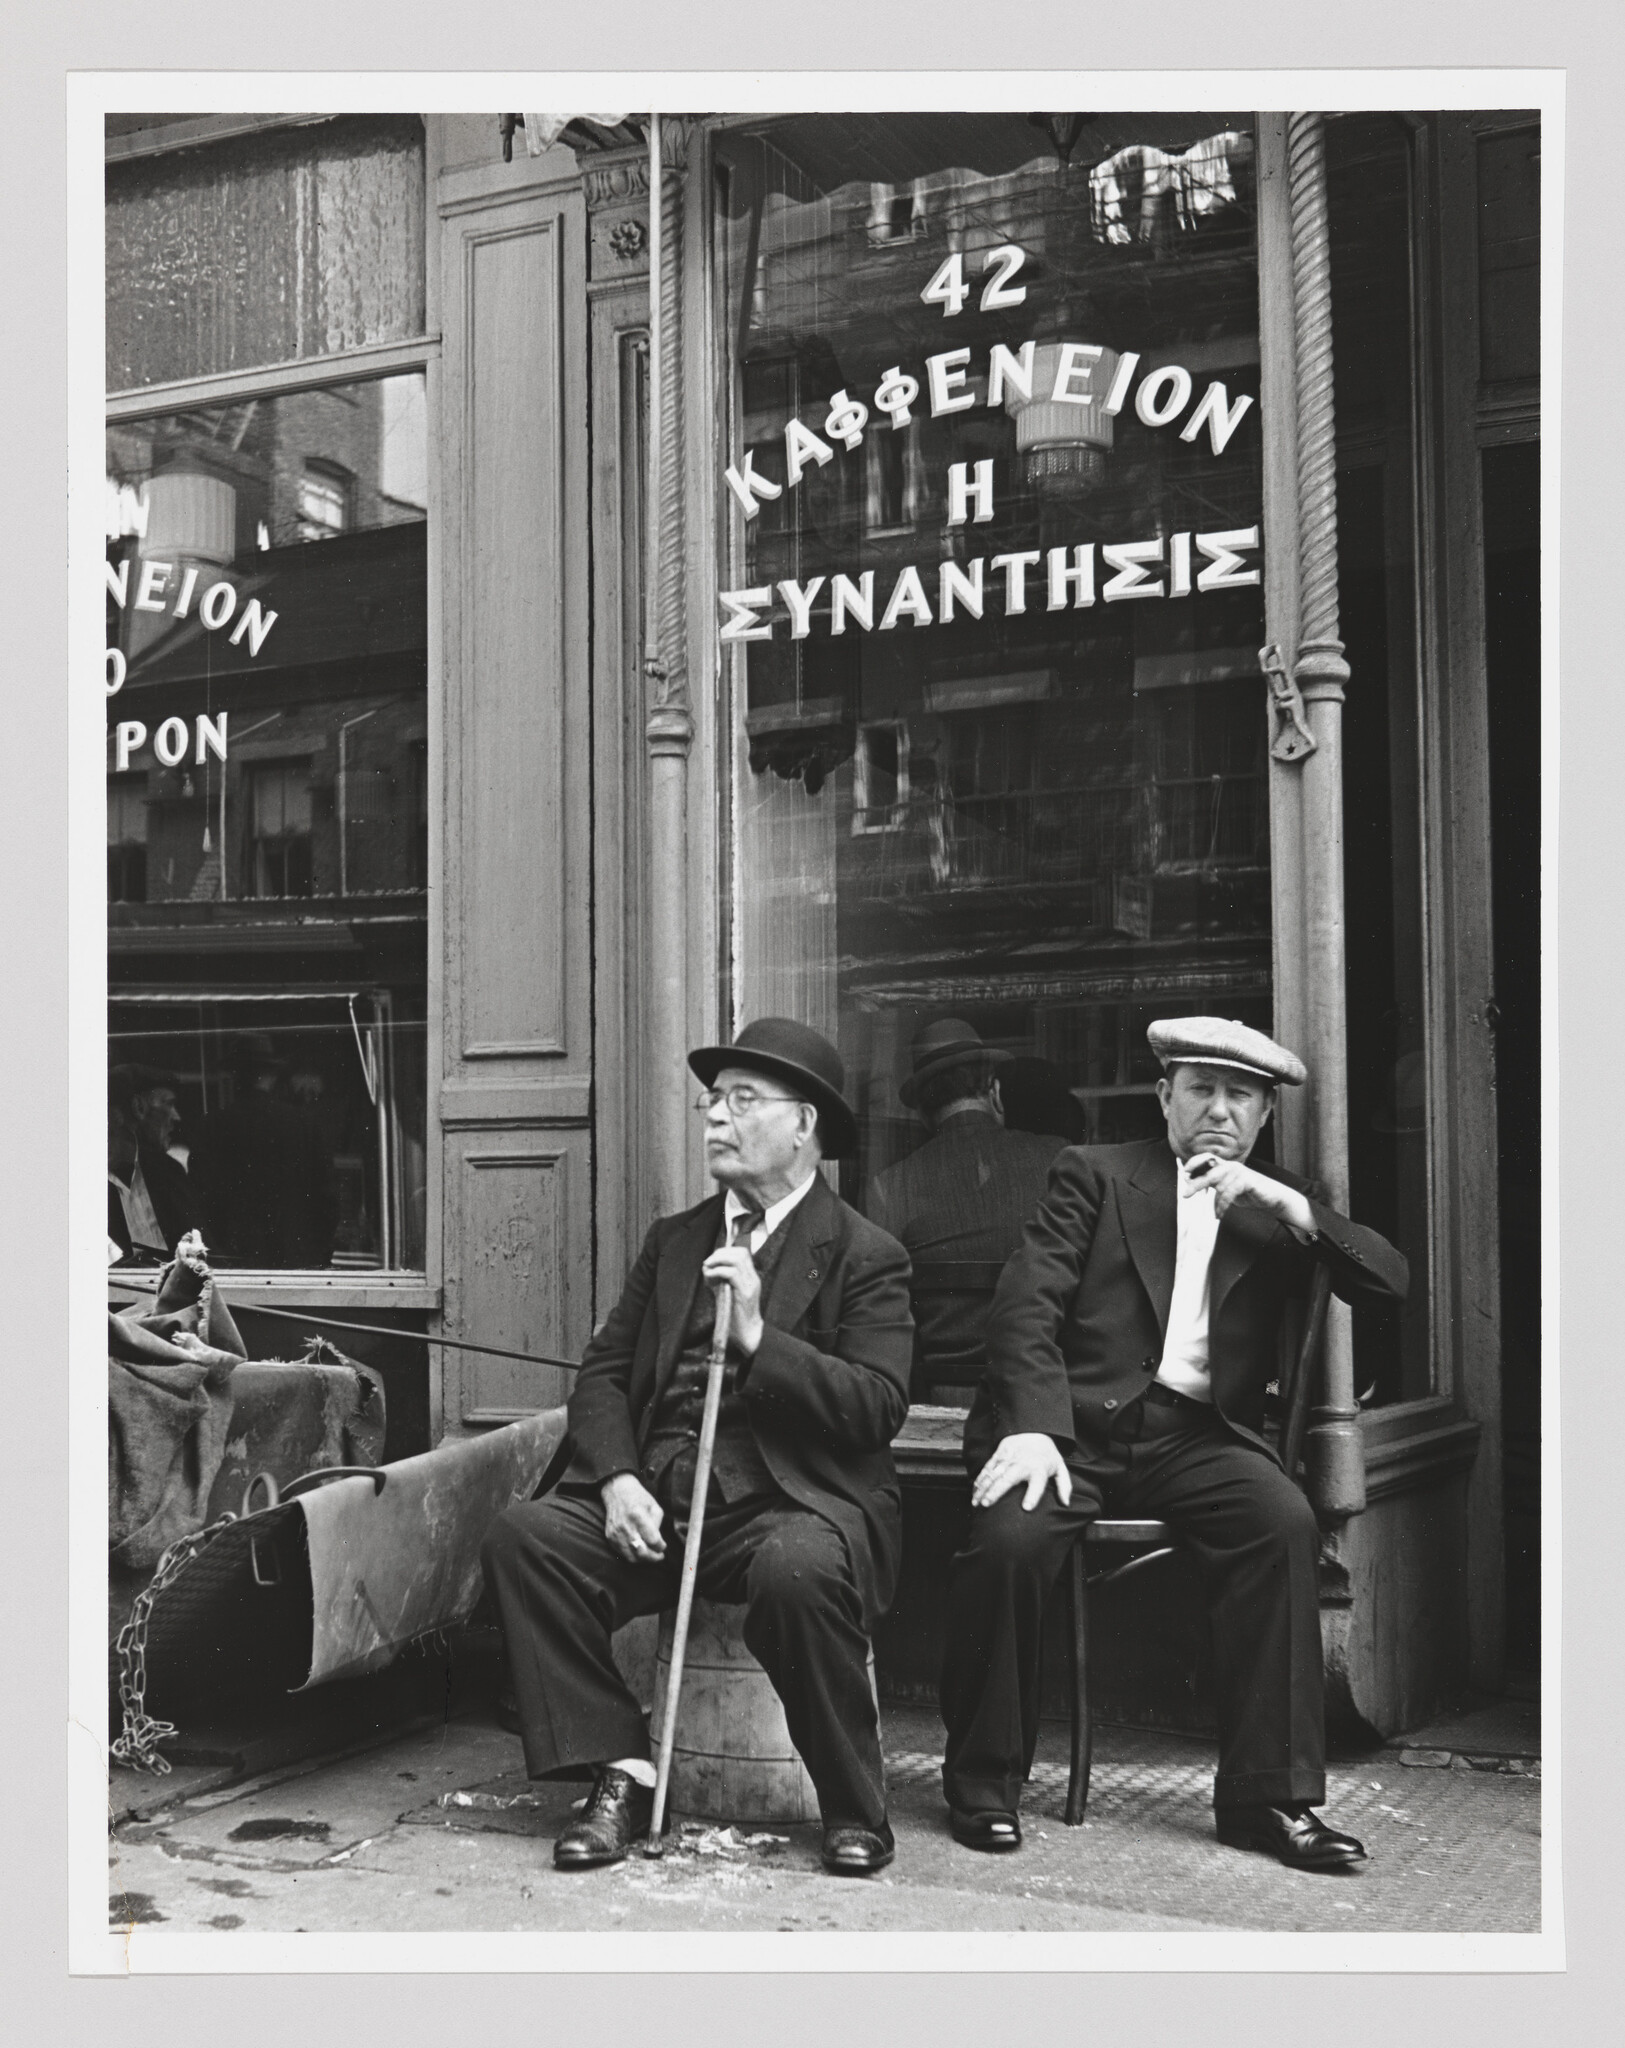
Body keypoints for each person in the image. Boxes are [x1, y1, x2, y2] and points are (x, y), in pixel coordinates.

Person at [939, 1015, 1409, 1871]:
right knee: (1007, 1540)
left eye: (1240, 1097)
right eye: (1201, 1090)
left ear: (1264, 1115)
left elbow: (1388, 1282)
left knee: (1282, 1523)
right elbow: (1023, 1311)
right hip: (1070, 1431)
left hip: (1197, 1438)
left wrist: (1292, 1206)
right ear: (1164, 1096)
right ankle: (980, 1780)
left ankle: (1268, 1801)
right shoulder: (1094, 1174)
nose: (1218, 1112)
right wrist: (1038, 1430)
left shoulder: (1275, 1203)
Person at [481, 1018, 914, 1877]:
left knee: (799, 1573)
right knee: (524, 1540)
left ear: (805, 1127)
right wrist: (617, 1478)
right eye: (711, 1102)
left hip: (785, 1507)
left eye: (741, 1102)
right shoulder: (676, 1239)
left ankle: (852, 1805)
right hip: (659, 1506)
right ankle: (624, 1767)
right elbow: (603, 1373)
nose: (714, 1119)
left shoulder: (867, 1255)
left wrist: (759, 1336)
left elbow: (876, 1407)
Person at [869, 1020, 1064, 1403]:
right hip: (1045, 1395)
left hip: (944, 1399)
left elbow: (881, 1305)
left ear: (923, 1112)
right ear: (995, 1091)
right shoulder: (1059, 1158)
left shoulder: (888, 1186)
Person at [193, 1034, 337, 1267]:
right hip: (297, 1259)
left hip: (237, 1261)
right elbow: (327, 1200)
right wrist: (318, 1253)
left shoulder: (214, 1125)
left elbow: (201, 1202)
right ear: (272, 1076)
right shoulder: (304, 1124)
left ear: (235, 1075)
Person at [108, 1065, 207, 1260]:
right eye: (168, 1105)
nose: (176, 1117)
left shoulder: (169, 1172)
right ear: (138, 1107)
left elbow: (202, 1253)